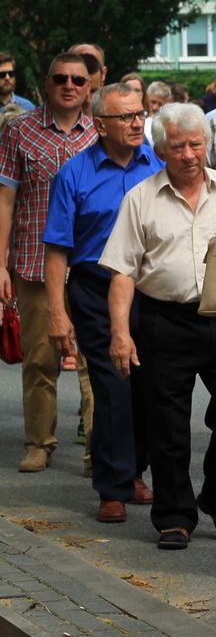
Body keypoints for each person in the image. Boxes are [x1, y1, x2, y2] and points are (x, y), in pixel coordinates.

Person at [100, 103, 216, 551]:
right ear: (160, 150)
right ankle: (174, 515)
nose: (188, 154)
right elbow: (122, 272)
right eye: (177, 146)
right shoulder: (141, 198)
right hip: (164, 320)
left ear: (207, 144)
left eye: (196, 144)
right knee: (166, 424)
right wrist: (120, 333)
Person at [43, 83, 162, 522]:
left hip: (149, 291)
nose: (136, 123)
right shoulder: (74, 173)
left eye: (140, 115)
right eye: (126, 117)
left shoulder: (159, 165)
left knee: (147, 385)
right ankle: (111, 486)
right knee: (113, 385)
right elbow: (57, 248)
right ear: (100, 125)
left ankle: (136, 471)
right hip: (95, 287)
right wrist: (57, 312)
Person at [0, 53, 96, 473]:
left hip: (93, 267)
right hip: (35, 264)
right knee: (40, 360)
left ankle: (99, 448)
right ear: (47, 82)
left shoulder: (101, 133)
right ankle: (40, 443)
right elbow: (4, 201)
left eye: (78, 79)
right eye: (61, 78)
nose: (69, 85)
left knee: (97, 363)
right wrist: (0, 263)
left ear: (89, 87)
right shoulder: (17, 131)